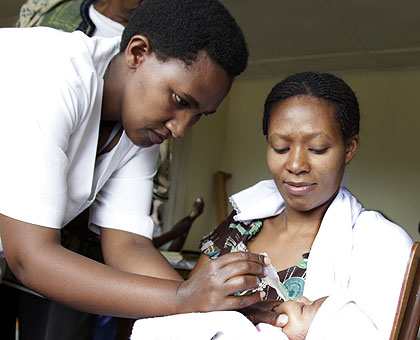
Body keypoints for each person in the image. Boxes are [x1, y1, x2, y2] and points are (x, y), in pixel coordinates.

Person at [0, 1, 271, 339]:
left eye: (200, 114)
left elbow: (127, 245)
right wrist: (184, 297)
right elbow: (30, 257)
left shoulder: (139, 128)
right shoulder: (54, 76)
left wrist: (215, 308)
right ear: (137, 53)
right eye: (181, 101)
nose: (181, 128)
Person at [183, 72, 413, 339]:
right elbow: (185, 313)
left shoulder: (380, 245)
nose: (295, 165)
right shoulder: (239, 227)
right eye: (280, 147)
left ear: (349, 148)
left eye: (316, 149)